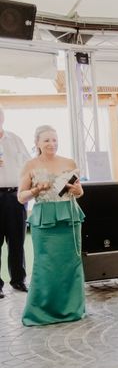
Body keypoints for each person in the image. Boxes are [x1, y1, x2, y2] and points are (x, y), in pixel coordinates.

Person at [17, 125, 85, 326]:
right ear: (37, 143)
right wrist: (36, 190)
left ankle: (72, 309)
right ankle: (41, 311)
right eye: (46, 140)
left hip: (69, 217)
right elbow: (21, 197)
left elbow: (79, 192)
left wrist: (77, 189)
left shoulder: (69, 162)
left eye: (54, 140)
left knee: (71, 264)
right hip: (44, 219)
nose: (51, 144)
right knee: (44, 265)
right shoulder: (30, 165)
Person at [0, 106, 30, 299]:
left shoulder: (15, 139)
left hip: (15, 196)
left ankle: (18, 280)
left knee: (17, 240)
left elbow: (28, 164)